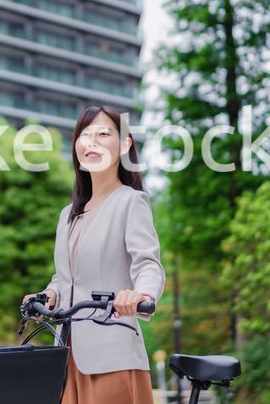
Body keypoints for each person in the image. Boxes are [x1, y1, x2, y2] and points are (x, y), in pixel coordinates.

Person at [23, 105, 165, 404]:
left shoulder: (131, 202)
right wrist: (49, 293)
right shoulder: (68, 215)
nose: (92, 142)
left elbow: (147, 262)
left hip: (112, 354)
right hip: (67, 355)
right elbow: (68, 277)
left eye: (103, 134)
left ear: (125, 145)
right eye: (84, 135)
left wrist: (141, 295)